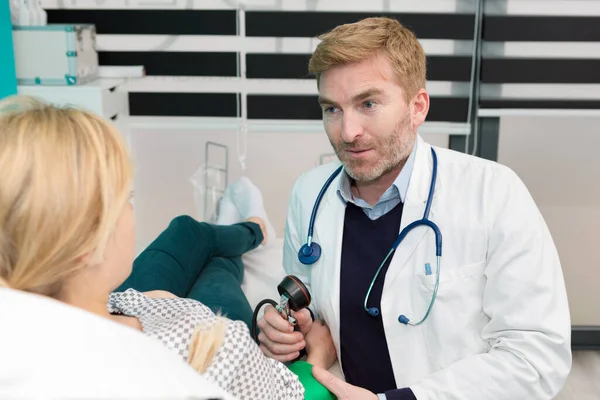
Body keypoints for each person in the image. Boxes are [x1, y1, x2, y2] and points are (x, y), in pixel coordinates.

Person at [257, 16, 572, 400]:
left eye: (368, 103)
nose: (348, 132)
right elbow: (310, 314)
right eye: (332, 109)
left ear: (417, 106)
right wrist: (278, 325)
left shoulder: (493, 193)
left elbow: (535, 358)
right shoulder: (309, 194)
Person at [0, 95, 334, 400]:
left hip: (125, 301)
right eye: (125, 199)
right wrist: (318, 355)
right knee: (214, 263)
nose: (132, 210)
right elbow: (296, 396)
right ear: (88, 242)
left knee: (186, 230)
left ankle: (241, 226)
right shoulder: (217, 351)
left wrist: (149, 304)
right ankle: (251, 228)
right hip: (189, 327)